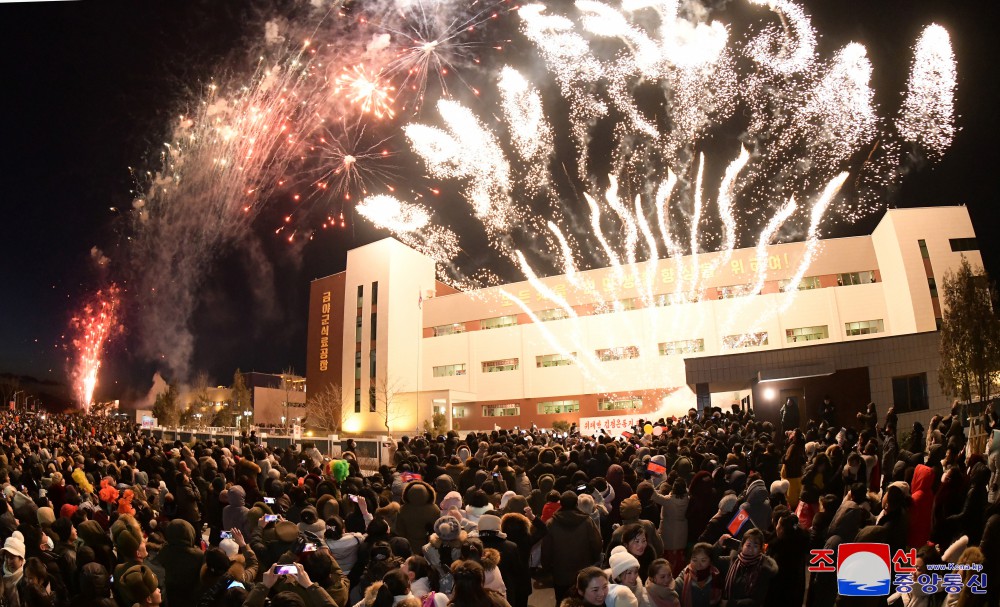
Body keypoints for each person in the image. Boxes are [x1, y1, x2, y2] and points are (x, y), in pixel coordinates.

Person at [542, 491, 603, 606]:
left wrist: (547, 568)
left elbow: (546, 549)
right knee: (583, 602)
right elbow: (597, 544)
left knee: (561, 601)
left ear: (561, 504)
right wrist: (593, 560)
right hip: (583, 572)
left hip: (560, 572)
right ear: (576, 504)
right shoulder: (587, 521)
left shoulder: (551, 523)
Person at [714, 529, 777, 607]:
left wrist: (729, 603)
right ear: (742, 545)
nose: (751, 549)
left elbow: (757, 600)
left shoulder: (764, 569)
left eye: (755, 546)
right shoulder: (732, 561)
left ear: (761, 549)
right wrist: (719, 545)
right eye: (748, 545)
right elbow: (710, 559)